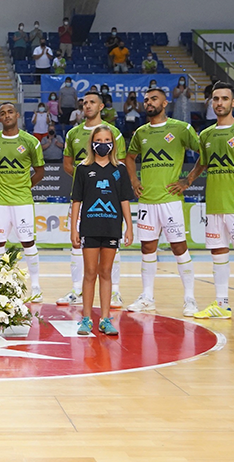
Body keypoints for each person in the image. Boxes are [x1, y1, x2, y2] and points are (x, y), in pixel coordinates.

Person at [178, 82, 234, 325]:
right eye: (215, 99)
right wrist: (188, 180)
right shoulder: (205, 135)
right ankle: (222, 304)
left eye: (224, 99)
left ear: (233, 102)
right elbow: (202, 164)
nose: (219, 103)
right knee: (218, 254)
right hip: (214, 204)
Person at [124, 87, 201, 316]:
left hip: (171, 200)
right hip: (147, 200)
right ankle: (147, 297)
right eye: (146, 100)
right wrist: (134, 180)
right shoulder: (140, 132)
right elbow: (130, 157)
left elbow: (203, 154)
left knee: (179, 247)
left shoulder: (181, 128)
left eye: (153, 99)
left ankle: (190, 299)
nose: (149, 103)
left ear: (165, 103)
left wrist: (188, 180)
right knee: (147, 248)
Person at [57, 92, 127, 308]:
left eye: (92, 102)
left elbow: (119, 166)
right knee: (77, 243)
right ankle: (76, 288)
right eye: (84, 102)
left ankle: (114, 291)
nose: (87, 105)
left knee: (111, 241)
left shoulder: (113, 132)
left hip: (108, 198)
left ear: (101, 106)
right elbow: (68, 164)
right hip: (83, 196)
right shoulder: (73, 133)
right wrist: (86, 182)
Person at [70, 126, 134, 336]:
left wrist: (129, 227)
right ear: (92, 142)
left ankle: (105, 319)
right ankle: (86, 319)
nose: (103, 143)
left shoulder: (120, 169)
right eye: (99, 139)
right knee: (89, 273)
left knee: (105, 273)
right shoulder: (82, 169)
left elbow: (124, 199)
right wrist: (74, 229)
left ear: (113, 144)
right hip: (90, 226)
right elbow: (76, 201)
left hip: (111, 227)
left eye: (107, 139)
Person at [0, 103, 45, 301]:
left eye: (10, 112)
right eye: (2, 113)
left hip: (23, 201)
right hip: (0, 201)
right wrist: (4, 185)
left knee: (28, 242)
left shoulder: (30, 141)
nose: (7, 115)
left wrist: (23, 187)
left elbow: (40, 172)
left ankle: (35, 285)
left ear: (17, 115)